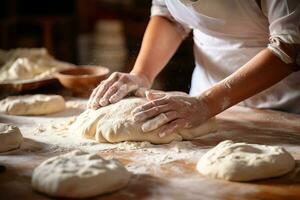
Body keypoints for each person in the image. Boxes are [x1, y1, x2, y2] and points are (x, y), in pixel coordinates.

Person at [87, 0, 300, 137]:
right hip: (201, 105)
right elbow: (169, 16)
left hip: (282, 108)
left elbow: (290, 46)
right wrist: (141, 73)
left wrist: (207, 102)